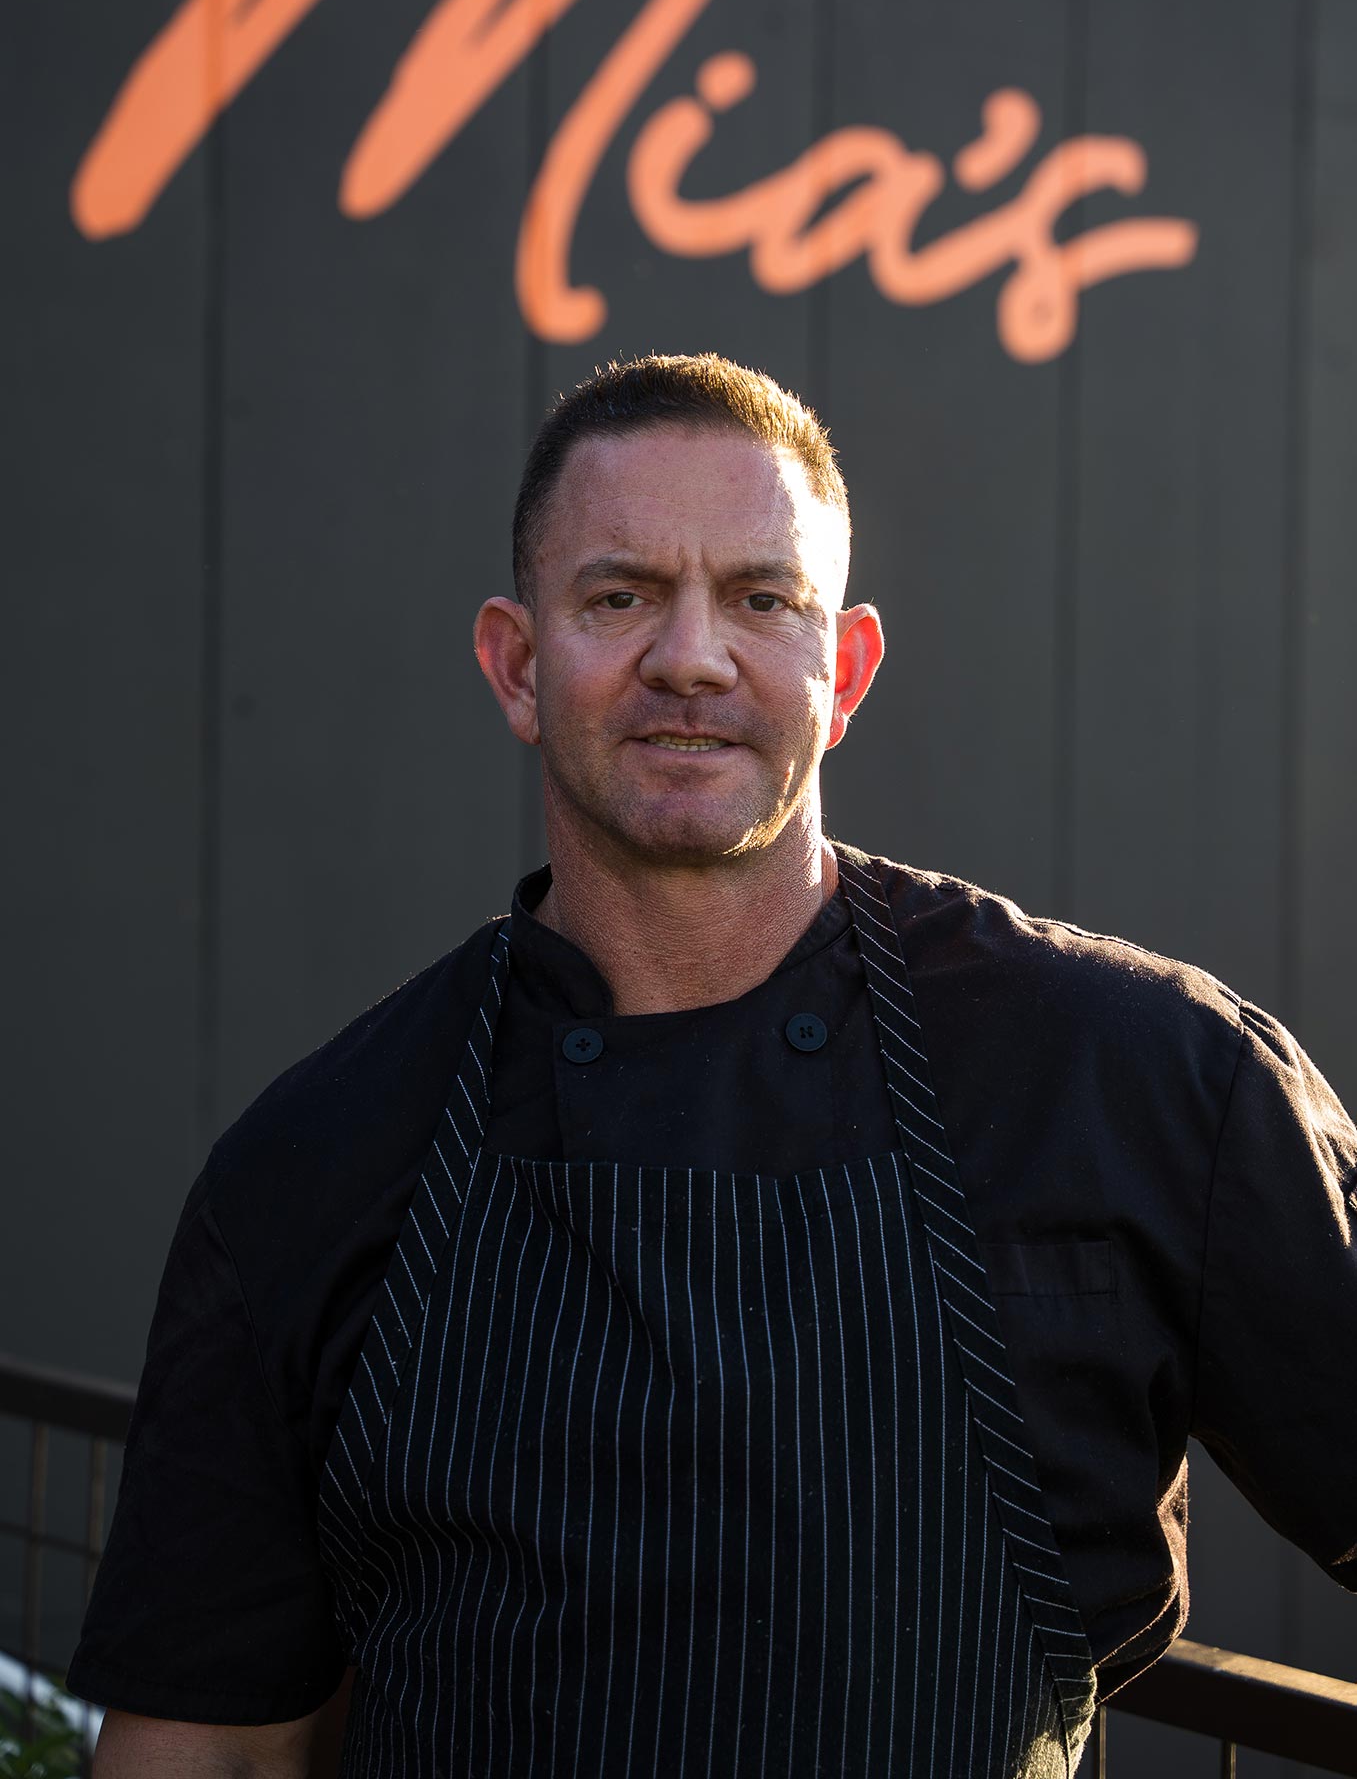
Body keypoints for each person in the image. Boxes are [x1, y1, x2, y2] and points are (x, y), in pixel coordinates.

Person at [71, 353, 1356, 1778]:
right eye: (619, 597)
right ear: (515, 663)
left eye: (762, 598)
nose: (692, 655)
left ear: (842, 669)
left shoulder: (1140, 1081)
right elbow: (206, 1755)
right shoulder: (315, 1159)